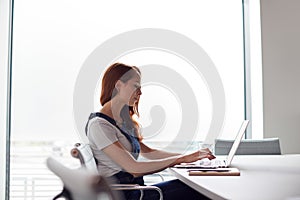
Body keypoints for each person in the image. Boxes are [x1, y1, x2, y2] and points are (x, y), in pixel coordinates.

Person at [85, 62, 215, 200]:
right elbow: (134, 168)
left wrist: (190, 158)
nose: (140, 92)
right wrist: (181, 159)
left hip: (137, 190)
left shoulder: (120, 121)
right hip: (128, 195)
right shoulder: (99, 125)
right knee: (199, 190)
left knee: (197, 187)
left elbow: (150, 153)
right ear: (118, 85)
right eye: (135, 86)